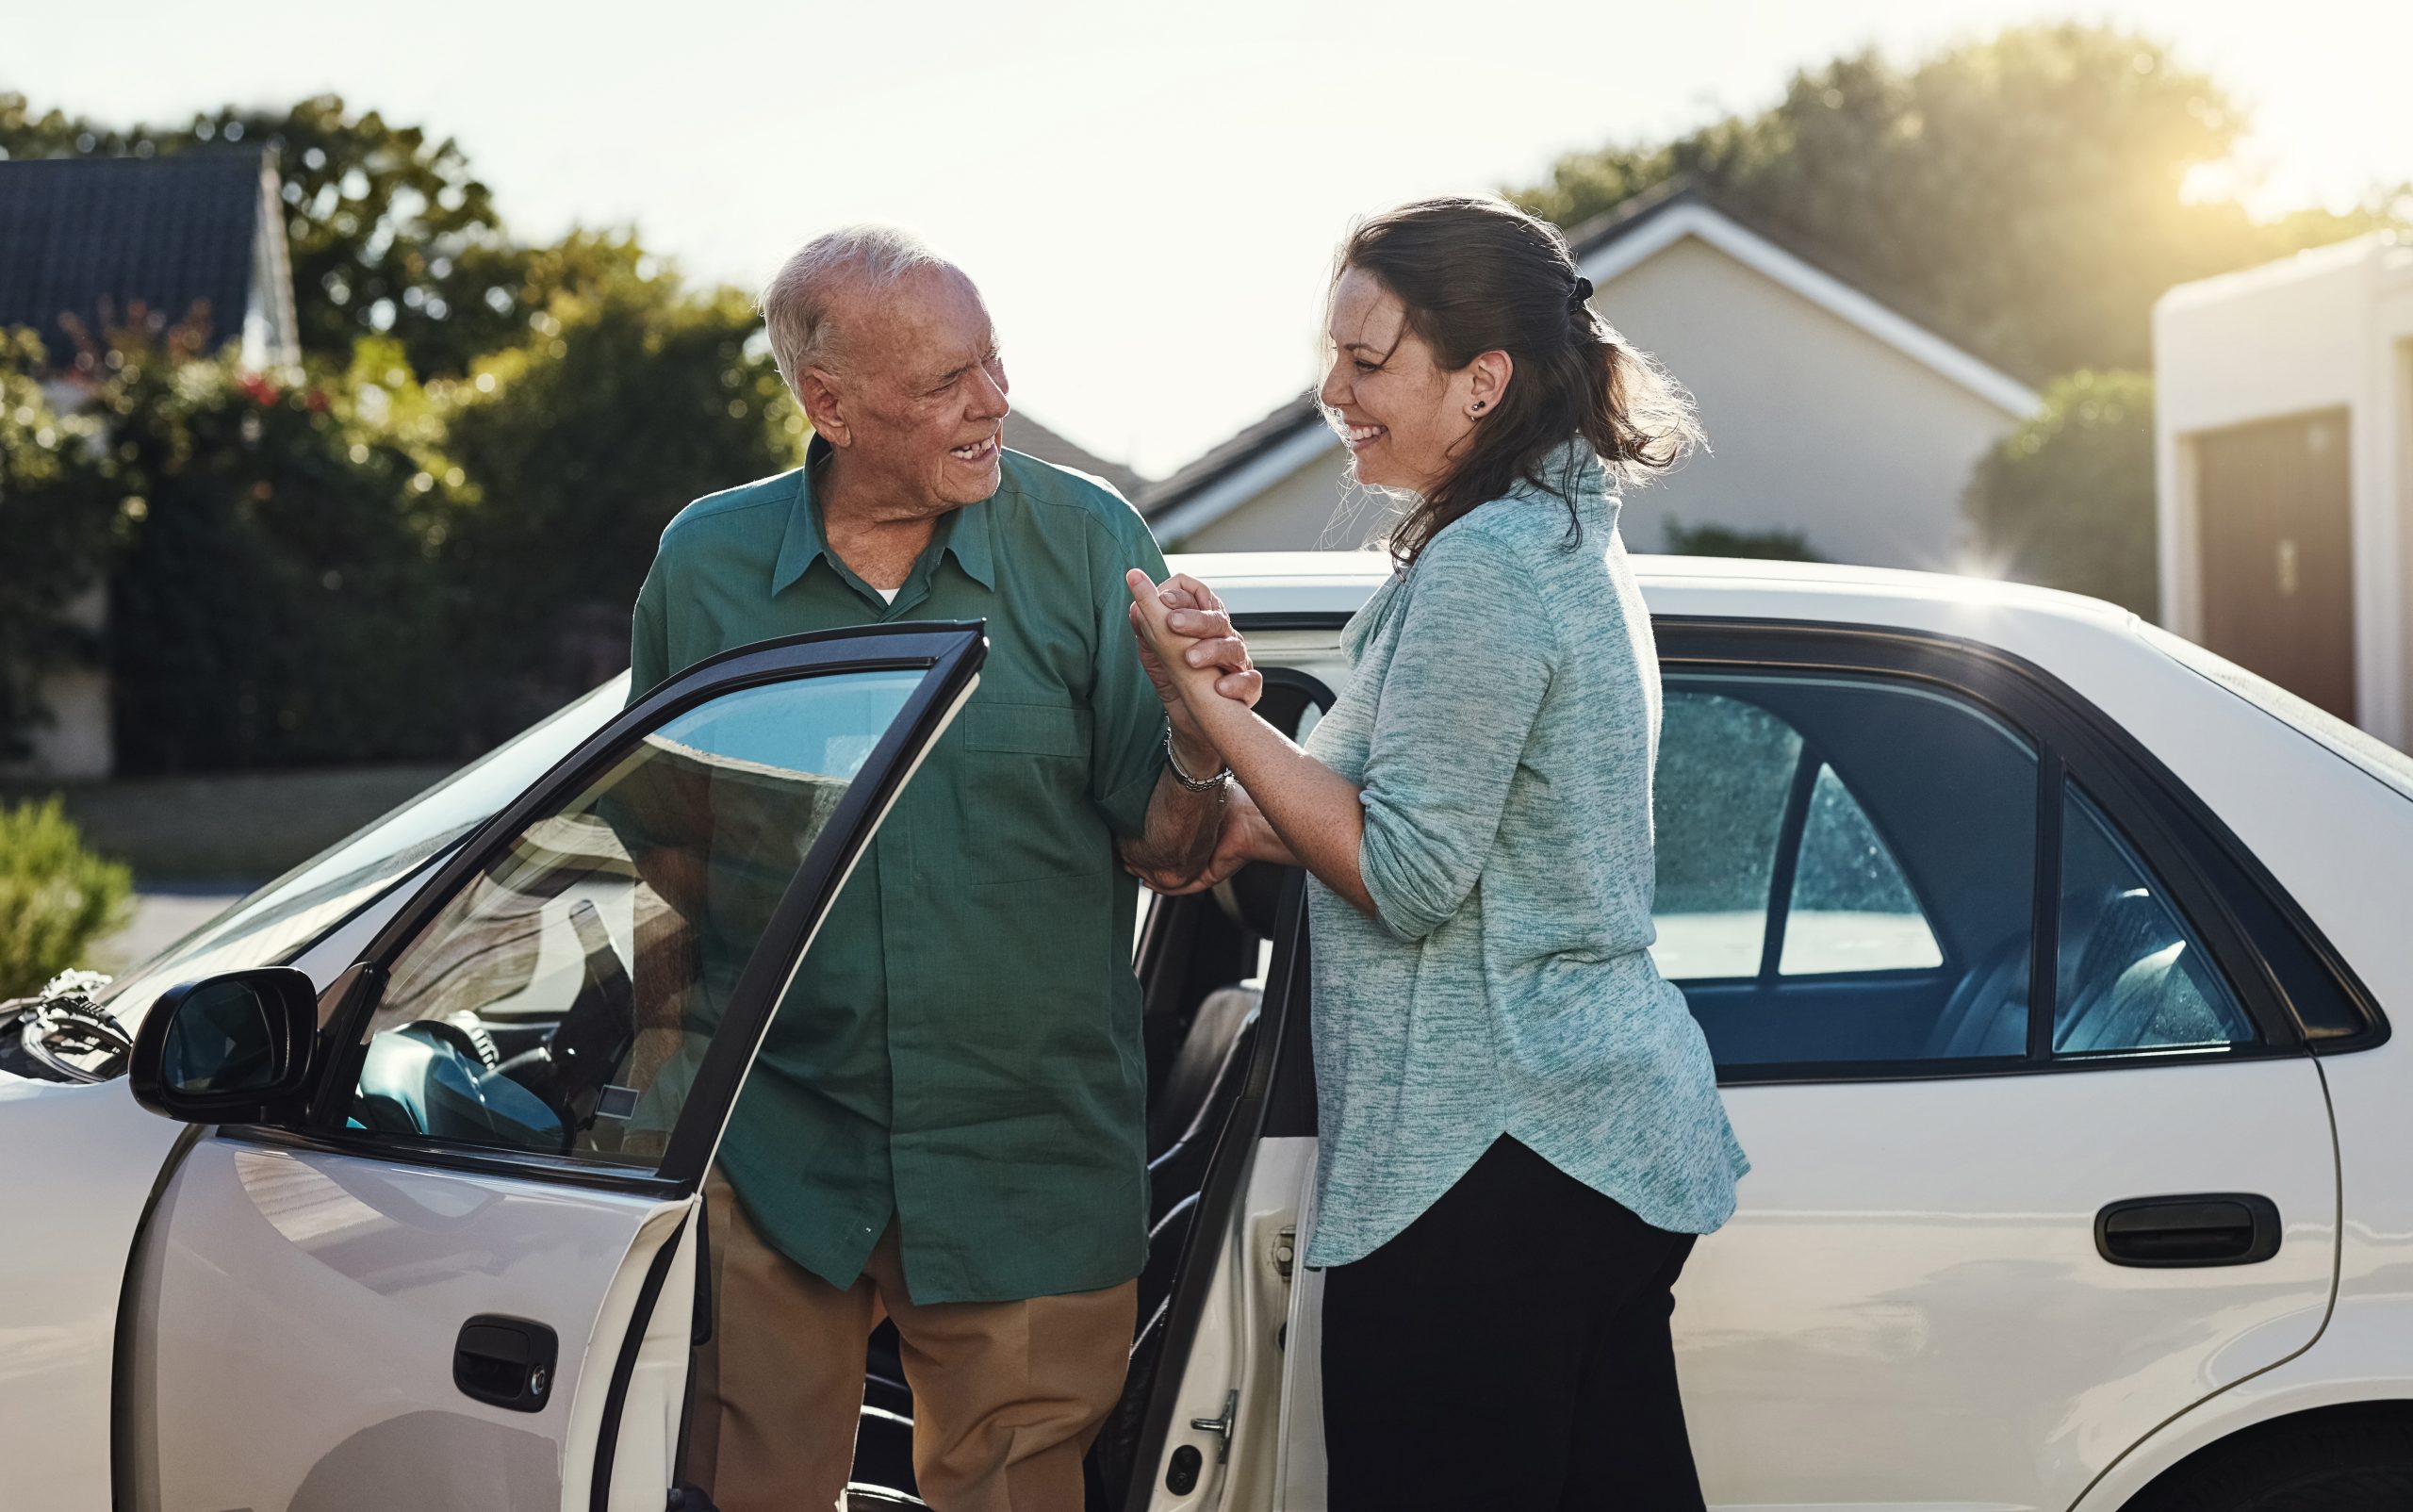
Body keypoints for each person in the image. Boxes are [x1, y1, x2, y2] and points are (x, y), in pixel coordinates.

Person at [1125, 196, 1749, 1510]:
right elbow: (1415, 821)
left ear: (1484, 380)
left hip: (1496, 1154)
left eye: (1367, 362)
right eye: (1331, 356)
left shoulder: (1494, 565)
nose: (1331, 391)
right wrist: (1243, 779)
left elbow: (1407, 876)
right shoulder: (1544, 536)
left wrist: (1219, 713)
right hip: (1580, 1145)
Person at [626, 225, 1255, 1512]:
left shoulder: (1088, 545)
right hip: (780, 1158)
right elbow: (663, 855)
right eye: (947, 382)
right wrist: (662, 1113)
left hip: (1027, 1162)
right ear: (830, 404)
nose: (995, 404)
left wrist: (1198, 740)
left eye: (994, 362)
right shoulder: (707, 566)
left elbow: (1171, 852)